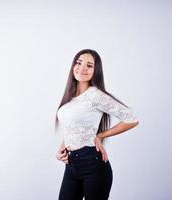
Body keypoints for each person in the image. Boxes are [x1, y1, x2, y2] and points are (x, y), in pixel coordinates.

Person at [55, 49, 139, 200]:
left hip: (93, 165)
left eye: (89, 65)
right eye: (79, 63)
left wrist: (99, 136)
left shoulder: (96, 95)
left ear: (96, 71)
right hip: (71, 165)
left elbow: (132, 119)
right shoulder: (71, 96)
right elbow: (73, 125)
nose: (82, 68)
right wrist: (63, 146)